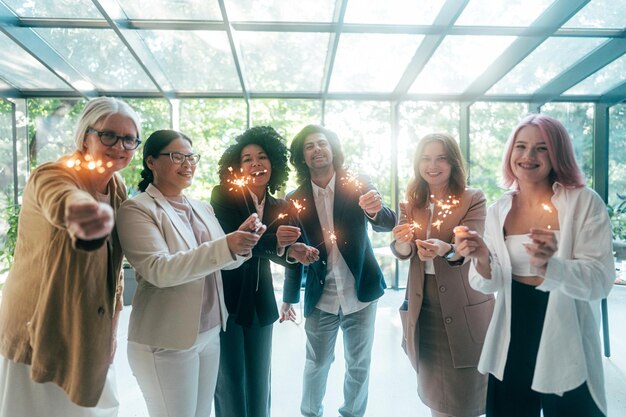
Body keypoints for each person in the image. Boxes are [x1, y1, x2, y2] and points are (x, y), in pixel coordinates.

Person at [456, 114, 615, 417]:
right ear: (510, 152)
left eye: (542, 148)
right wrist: (479, 257)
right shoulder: (499, 209)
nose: (528, 156)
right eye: (521, 146)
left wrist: (550, 267)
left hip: (566, 327)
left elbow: (601, 280)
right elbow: (488, 282)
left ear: (558, 155)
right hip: (513, 327)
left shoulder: (583, 203)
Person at [0, 97, 141, 416]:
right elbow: (63, 199)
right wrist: (85, 215)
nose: (119, 145)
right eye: (108, 135)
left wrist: (112, 330)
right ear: (85, 136)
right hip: (39, 327)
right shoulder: (52, 174)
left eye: (129, 139)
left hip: (90, 328)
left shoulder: (116, 186)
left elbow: (114, 268)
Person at [115, 129, 265, 417]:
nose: (187, 163)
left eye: (191, 157)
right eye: (176, 156)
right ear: (151, 162)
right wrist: (226, 245)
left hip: (209, 332)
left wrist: (241, 245)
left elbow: (224, 261)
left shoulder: (201, 208)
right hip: (167, 339)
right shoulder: (137, 210)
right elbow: (159, 270)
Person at [281, 124, 396, 417]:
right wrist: (290, 297)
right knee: (317, 362)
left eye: (322, 143)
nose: (316, 150)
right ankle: (310, 413)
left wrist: (374, 210)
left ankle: (352, 414)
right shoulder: (295, 198)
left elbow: (387, 222)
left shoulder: (357, 183)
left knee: (359, 363)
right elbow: (294, 247)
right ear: (302, 157)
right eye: (309, 146)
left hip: (361, 293)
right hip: (321, 297)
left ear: (333, 150)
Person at [210, 126, 318, 417]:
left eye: (262, 157)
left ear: (274, 164)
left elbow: (286, 252)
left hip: (261, 304)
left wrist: (297, 253)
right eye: (247, 158)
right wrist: (279, 243)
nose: (256, 163)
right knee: (231, 381)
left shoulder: (282, 206)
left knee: (259, 382)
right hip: (227, 301)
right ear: (237, 166)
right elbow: (235, 242)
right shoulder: (223, 196)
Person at [390, 133, 493, 417]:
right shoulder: (409, 203)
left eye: (440, 159)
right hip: (425, 306)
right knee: (437, 397)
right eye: (425, 158)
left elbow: (472, 246)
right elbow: (403, 250)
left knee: (466, 398)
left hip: (465, 304)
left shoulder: (473, 198)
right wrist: (402, 242)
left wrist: (445, 248)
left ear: (453, 163)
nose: (432, 166)